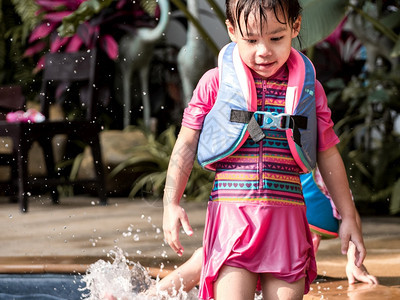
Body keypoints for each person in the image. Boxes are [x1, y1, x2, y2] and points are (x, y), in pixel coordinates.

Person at [162, 0, 366, 299]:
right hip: (234, 220)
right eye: (251, 40)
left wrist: (348, 215)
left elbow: (328, 152)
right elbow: (186, 142)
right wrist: (171, 203)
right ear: (232, 31)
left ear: (295, 27)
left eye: (276, 38)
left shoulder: (309, 90)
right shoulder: (215, 83)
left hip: (287, 225)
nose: (263, 51)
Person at [158, 169, 378, 296]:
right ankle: (150, 296)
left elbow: (349, 213)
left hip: (286, 249)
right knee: (206, 258)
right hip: (252, 228)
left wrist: (354, 263)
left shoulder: (317, 168)